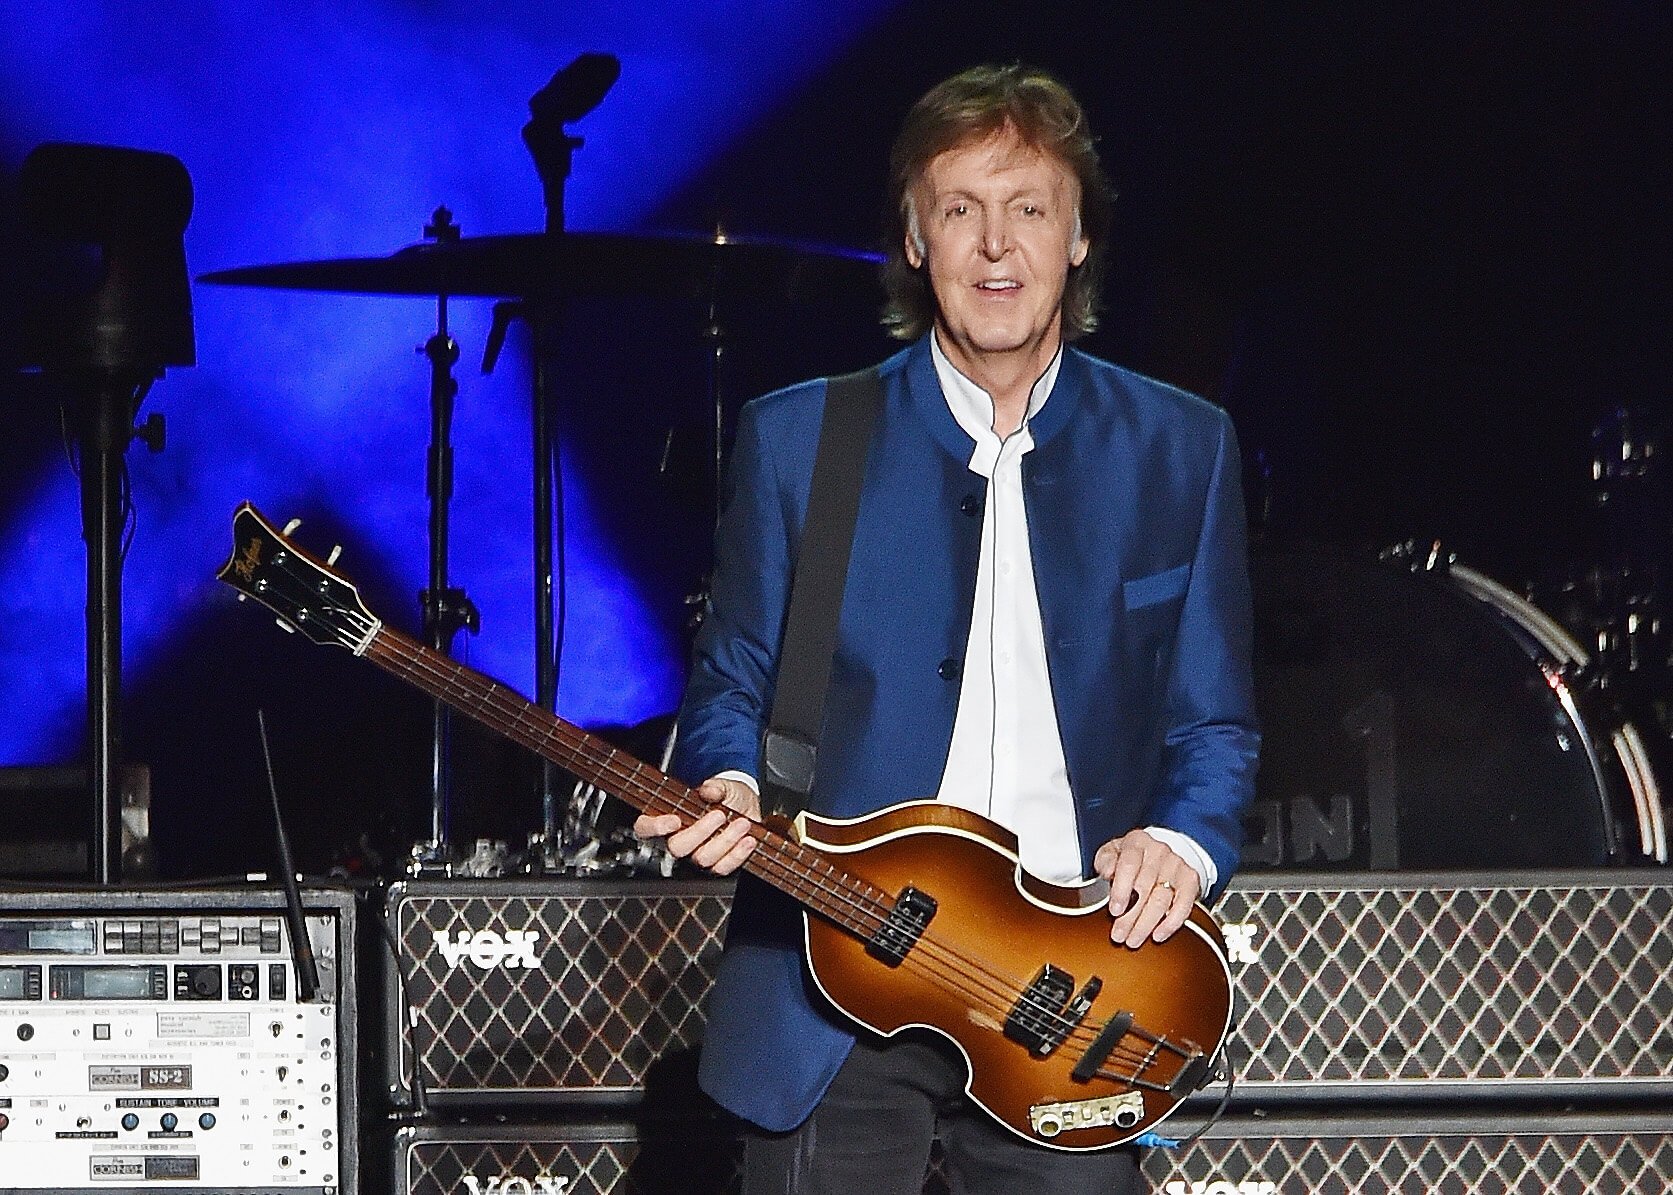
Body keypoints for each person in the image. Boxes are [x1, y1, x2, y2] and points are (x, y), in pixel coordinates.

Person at [634, 63, 1258, 1195]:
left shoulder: (1180, 447)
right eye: (958, 209)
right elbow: (731, 679)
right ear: (914, 240)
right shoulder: (798, 440)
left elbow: (1213, 728)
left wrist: (1181, 842)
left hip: (1065, 996)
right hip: (830, 995)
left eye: (1028, 208)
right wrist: (724, 774)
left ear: (1077, 239)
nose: (994, 246)